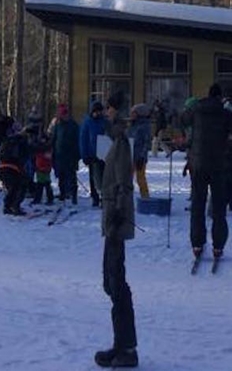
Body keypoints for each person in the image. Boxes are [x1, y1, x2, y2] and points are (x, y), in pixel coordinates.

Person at [94, 91, 138, 369]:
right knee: (110, 281)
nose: (106, 112)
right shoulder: (116, 141)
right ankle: (120, 343)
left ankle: (127, 348)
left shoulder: (121, 143)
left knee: (116, 282)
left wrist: (118, 217)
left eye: (109, 108)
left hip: (116, 222)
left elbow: (123, 183)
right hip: (112, 219)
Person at [181, 84, 232, 262]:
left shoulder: (196, 110)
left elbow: (181, 120)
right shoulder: (225, 113)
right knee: (218, 207)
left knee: (198, 205)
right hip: (218, 165)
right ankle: (218, 245)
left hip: (198, 164)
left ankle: (197, 244)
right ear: (220, 97)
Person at [51, 103, 81, 205]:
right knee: (61, 176)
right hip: (59, 155)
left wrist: (77, 155)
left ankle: (73, 195)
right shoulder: (57, 125)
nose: (64, 115)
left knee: (72, 176)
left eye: (65, 113)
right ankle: (62, 193)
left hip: (71, 155)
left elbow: (78, 141)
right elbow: (53, 139)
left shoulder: (73, 125)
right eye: (62, 113)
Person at [80, 101, 109, 207]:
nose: (97, 114)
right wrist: (84, 155)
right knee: (93, 177)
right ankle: (95, 197)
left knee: (104, 177)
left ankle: (104, 197)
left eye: (99, 112)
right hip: (92, 154)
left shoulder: (104, 122)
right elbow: (83, 140)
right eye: (95, 112)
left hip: (104, 153)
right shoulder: (87, 123)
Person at [0, 123, 30, 215]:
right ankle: (15, 206)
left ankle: (7, 206)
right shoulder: (21, 141)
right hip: (13, 167)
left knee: (12, 188)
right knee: (20, 186)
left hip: (1, 168)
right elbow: (25, 154)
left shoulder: (6, 140)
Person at [129, 103, 152, 200]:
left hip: (139, 157)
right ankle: (126, 198)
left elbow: (146, 143)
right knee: (127, 179)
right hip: (130, 155)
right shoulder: (132, 125)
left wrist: (142, 157)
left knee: (140, 179)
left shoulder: (144, 126)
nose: (131, 115)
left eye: (133, 113)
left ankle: (145, 198)